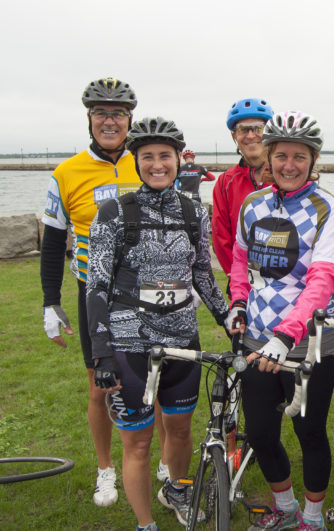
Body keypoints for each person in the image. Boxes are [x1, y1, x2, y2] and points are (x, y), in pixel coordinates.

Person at [86, 116, 229, 531]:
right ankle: (145, 524)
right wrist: (100, 352)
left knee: (180, 433)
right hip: (130, 345)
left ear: (177, 159)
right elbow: (96, 284)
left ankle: (178, 491)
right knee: (138, 442)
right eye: (146, 157)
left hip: (183, 338)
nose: (156, 165)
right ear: (136, 161)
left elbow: (202, 273)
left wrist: (228, 318)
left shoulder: (193, 211)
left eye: (164, 156)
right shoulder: (112, 212)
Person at [224, 111, 334, 531]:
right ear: (269, 158)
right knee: (259, 432)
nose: (289, 165)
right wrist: (238, 302)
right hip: (258, 338)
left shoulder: (327, 207)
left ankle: (313, 519)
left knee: (309, 431)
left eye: (299, 156)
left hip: (311, 341)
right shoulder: (252, 204)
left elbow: (321, 281)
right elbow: (240, 261)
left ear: (313, 160)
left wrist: (285, 334)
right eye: (281, 156)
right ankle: (287, 507)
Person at [40, 76, 141, 507]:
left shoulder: (150, 160)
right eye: (101, 112)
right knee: (100, 387)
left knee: (148, 377)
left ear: (129, 119)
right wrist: (50, 302)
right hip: (92, 292)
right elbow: (50, 244)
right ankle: (106, 470)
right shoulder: (65, 173)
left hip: (145, 291)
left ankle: (152, 461)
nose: (110, 120)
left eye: (118, 112)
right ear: (89, 118)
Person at [212, 98, 275, 296]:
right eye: (243, 130)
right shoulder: (225, 182)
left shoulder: (286, 175)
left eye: (257, 128)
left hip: (287, 281)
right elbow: (221, 238)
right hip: (243, 285)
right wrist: (237, 278)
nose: (251, 136)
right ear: (234, 136)